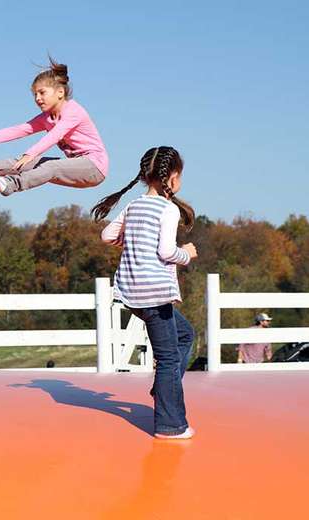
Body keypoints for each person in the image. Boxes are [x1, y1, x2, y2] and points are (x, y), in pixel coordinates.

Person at [97, 146, 197, 440]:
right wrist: (187, 254)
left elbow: (107, 235)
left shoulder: (134, 205)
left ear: (145, 176)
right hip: (155, 294)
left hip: (132, 295)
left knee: (184, 334)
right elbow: (166, 251)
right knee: (167, 359)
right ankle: (171, 425)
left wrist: (127, 240)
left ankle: (164, 389)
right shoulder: (168, 209)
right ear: (174, 177)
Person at [0, 56, 108, 197]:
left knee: (48, 165)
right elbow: (18, 130)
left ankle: (11, 184)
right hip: (75, 170)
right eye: (35, 94)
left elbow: (55, 135)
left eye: (42, 93)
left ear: (60, 92)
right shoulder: (46, 118)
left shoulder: (73, 111)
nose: (37, 98)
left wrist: (31, 153)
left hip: (94, 167)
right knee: (24, 162)